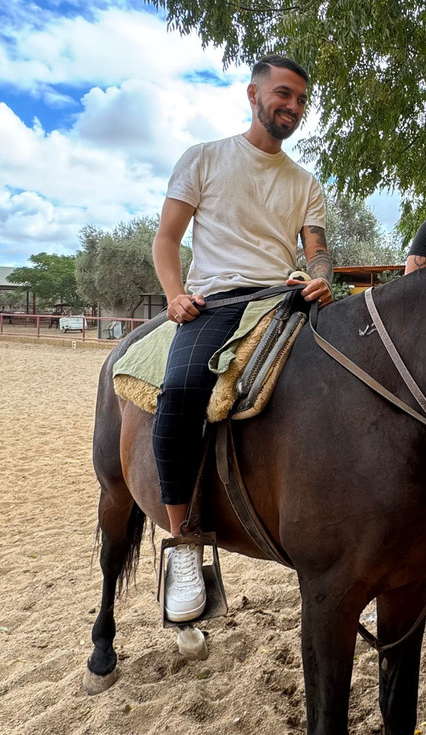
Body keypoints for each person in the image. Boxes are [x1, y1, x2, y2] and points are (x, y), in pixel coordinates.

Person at [151, 54, 333, 622]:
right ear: (252, 95)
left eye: (302, 100)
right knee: (180, 393)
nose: (294, 107)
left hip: (282, 298)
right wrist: (175, 293)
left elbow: (318, 251)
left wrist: (322, 278)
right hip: (217, 302)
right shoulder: (204, 159)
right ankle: (183, 543)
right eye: (284, 94)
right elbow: (166, 238)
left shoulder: (305, 183)